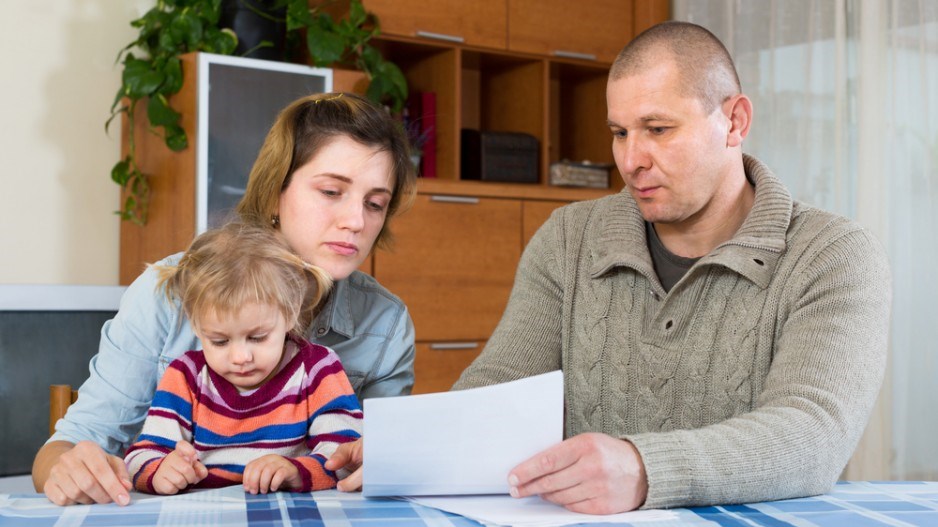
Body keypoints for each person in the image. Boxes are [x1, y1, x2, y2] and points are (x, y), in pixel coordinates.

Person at [449, 21, 892, 514]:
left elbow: (814, 433)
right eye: (620, 133)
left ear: (735, 121)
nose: (631, 159)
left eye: (658, 129)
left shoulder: (833, 254)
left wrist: (643, 468)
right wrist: (412, 447)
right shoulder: (569, 238)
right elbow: (496, 388)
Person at [34, 92, 417, 506]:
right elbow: (67, 447)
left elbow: (379, 470)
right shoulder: (166, 292)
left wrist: (377, 460)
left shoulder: (386, 323)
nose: (357, 221)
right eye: (330, 191)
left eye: (375, 203)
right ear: (274, 192)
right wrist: (67, 467)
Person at [124, 221, 362, 495]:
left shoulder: (318, 368)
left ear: (290, 313)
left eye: (257, 337)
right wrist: (160, 472)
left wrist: (296, 471)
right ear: (197, 327)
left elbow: (346, 455)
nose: (240, 357)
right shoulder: (185, 376)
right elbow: (141, 456)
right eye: (220, 341)